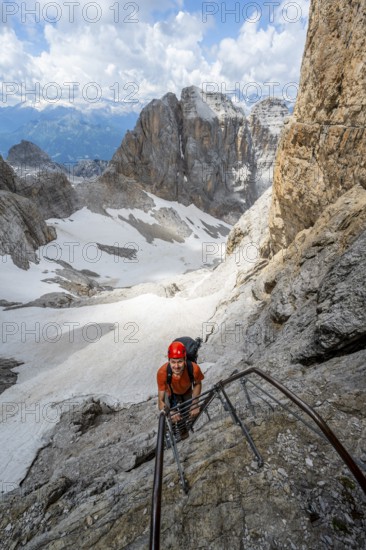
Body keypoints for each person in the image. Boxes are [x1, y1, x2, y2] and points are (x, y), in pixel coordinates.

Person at [157, 341, 204, 435]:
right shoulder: (162, 373)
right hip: (170, 392)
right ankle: (171, 432)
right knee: (169, 418)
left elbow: (197, 384)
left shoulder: (194, 369)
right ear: (169, 360)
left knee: (189, 414)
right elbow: (160, 401)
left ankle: (184, 431)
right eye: (173, 362)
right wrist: (169, 411)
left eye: (180, 362)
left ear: (185, 359)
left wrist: (195, 403)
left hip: (186, 390)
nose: (176, 366)